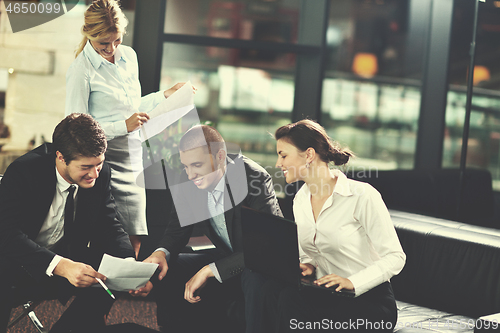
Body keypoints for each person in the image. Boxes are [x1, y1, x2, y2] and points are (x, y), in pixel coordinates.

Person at [65, 0, 187, 257]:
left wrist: (166, 95)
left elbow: (134, 107)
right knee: (103, 235)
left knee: (134, 234)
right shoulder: (80, 70)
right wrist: (123, 126)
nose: (111, 49)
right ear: (89, 35)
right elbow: (75, 127)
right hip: (100, 160)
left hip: (131, 154)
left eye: (117, 41)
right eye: (104, 44)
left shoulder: (129, 57)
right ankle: (97, 291)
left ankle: (123, 285)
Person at [260, 119, 406, 332]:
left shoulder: (362, 196)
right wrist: (308, 265)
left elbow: (396, 257)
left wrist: (352, 282)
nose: (278, 164)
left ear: (309, 155)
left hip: (370, 303)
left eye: (283, 155)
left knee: (290, 300)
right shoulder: (300, 200)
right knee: (273, 291)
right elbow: (309, 253)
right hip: (326, 295)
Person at [134, 125, 282, 333]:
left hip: (258, 264)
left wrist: (210, 270)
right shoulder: (187, 180)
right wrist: (161, 253)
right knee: (170, 265)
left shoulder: (253, 178)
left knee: (255, 277)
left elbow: (265, 246)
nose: (190, 174)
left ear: (220, 156)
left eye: (196, 165)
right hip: (225, 256)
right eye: (186, 166)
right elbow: (177, 230)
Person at [0, 113, 136, 333]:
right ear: (61, 157)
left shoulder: (101, 174)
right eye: (86, 167)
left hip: (68, 258)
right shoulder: (24, 172)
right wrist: (60, 265)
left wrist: (130, 266)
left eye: (99, 164)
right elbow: (5, 234)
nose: (94, 174)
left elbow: (110, 225)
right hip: (17, 263)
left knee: (111, 271)